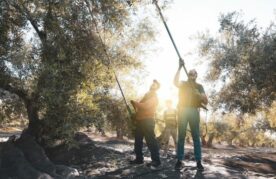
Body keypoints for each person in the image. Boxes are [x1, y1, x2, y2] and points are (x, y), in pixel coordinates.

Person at [174, 61, 208, 171]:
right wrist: (179, 68)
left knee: (196, 137)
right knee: (181, 136)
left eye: (194, 73)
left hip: (194, 111)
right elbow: (175, 82)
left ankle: (198, 161)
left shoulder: (199, 86)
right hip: (183, 110)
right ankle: (179, 160)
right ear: (188, 75)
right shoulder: (183, 83)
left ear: (196, 76)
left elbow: (206, 101)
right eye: (190, 73)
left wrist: (199, 95)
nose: (191, 75)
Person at [129, 80, 161, 170]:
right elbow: (139, 108)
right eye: (152, 84)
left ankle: (156, 161)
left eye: (155, 85)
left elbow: (145, 106)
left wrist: (135, 103)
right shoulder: (146, 96)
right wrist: (135, 114)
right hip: (140, 121)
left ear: (157, 88)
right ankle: (139, 159)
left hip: (148, 121)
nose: (152, 85)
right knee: (138, 141)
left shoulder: (154, 97)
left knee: (151, 141)